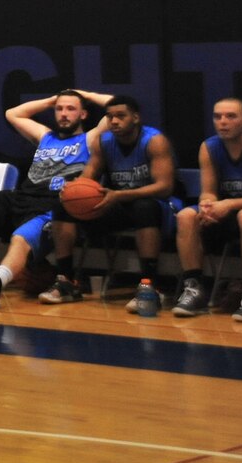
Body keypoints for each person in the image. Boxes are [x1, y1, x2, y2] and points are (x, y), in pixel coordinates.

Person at [0, 90, 109, 309]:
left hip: (51, 206)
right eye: (59, 109)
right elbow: (12, 114)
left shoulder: (89, 139)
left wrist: (86, 95)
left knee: (20, 238)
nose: (64, 114)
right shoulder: (45, 136)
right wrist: (51, 100)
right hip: (22, 197)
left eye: (71, 109)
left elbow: (114, 107)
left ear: (83, 114)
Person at [173, 98, 242, 322]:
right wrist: (207, 204)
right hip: (227, 210)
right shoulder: (209, 146)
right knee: (187, 215)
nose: (222, 122)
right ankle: (193, 289)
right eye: (218, 116)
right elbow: (208, 191)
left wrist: (228, 204)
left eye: (230, 116)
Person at [71, 95, 176, 307]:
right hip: (116, 203)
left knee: (143, 207)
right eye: (110, 117)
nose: (114, 121)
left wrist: (120, 195)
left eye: (120, 116)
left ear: (135, 118)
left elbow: (164, 187)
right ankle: (66, 280)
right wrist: (73, 190)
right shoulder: (104, 141)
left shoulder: (154, 141)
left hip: (158, 206)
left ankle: (150, 285)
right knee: (63, 207)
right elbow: (88, 175)